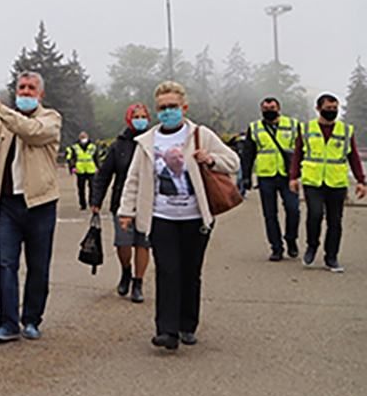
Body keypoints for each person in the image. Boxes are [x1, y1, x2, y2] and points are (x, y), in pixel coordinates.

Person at [119, 81, 239, 350]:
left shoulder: (201, 135)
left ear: (184, 107)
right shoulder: (147, 141)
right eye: (162, 108)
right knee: (167, 270)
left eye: (172, 106)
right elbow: (134, 179)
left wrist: (210, 159)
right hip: (161, 216)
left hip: (195, 217)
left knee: (190, 271)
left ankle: (187, 324)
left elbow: (233, 161)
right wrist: (126, 211)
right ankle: (167, 330)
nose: (168, 112)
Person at [0, 72, 62, 343]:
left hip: (40, 203)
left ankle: (31, 319)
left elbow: (31, 132)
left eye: (31, 88)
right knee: (6, 264)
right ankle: (7, 324)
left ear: (41, 94)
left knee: (38, 265)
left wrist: (0, 109)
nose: (26, 92)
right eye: (21, 87)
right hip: (7, 205)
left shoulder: (50, 119)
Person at [290, 94, 366, 272]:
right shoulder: (306, 128)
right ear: (318, 108)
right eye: (328, 108)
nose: (332, 111)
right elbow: (298, 154)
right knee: (315, 215)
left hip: (336, 182)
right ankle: (312, 245)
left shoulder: (345, 130)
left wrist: (361, 181)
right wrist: (293, 177)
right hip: (313, 181)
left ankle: (331, 257)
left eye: (334, 108)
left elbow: (353, 156)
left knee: (335, 221)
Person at [90, 103, 152, 303]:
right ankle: (126, 271)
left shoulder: (153, 141)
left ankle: (138, 282)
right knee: (123, 243)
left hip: (146, 202)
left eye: (143, 116)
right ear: (128, 119)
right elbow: (104, 175)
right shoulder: (119, 145)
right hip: (122, 202)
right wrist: (96, 200)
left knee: (142, 243)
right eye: (136, 116)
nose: (140, 120)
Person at [240, 97, 301, 261]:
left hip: (288, 175)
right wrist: (246, 177)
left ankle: (291, 239)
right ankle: (276, 248)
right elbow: (248, 154)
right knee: (270, 214)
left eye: (272, 108)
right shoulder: (254, 128)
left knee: (293, 209)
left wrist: (300, 172)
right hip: (266, 176)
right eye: (266, 109)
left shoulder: (293, 125)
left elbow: (302, 149)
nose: (269, 111)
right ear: (261, 110)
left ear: (279, 108)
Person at [70, 132, 97, 210]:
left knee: (92, 188)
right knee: (81, 189)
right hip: (80, 170)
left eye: (84, 137)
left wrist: (98, 167)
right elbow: (72, 158)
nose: (83, 139)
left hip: (91, 169)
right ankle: (83, 204)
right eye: (82, 137)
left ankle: (92, 203)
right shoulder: (75, 147)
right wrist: (72, 167)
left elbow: (96, 157)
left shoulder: (93, 146)